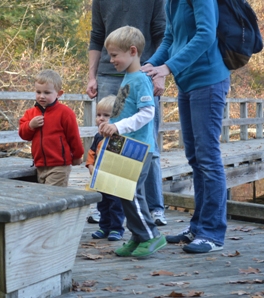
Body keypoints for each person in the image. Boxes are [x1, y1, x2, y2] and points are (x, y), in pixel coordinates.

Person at [142, 0, 230, 254]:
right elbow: (170, 39)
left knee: (208, 156)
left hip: (209, 79)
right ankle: (198, 227)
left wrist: (167, 68)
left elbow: (205, 35)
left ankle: (212, 233)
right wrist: (152, 64)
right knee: (194, 157)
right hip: (187, 82)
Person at [86, 0, 168, 226]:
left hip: (144, 70)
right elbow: (96, 36)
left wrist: (159, 72)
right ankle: (110, 210)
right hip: (107, 73)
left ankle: (154, 208)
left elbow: (162, 33)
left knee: (146, 141)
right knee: (110, 142)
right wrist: (92, 76)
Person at [99, 26, 166, 257]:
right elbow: (123, 109)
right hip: (123, 144)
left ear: (133, 51)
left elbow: (147, 113)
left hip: (138, 146)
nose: (111, 59)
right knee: (119, 190)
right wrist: (110, 125)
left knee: (132, 192)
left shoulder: (140, 79)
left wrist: (118, 126)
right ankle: (137, 236)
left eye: (115, 55)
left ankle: (150, 235)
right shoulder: (128, 76)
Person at [19, 69, 84, 187]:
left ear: (59, 94)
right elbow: (23, 135)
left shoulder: (65, 113)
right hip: (40, 165)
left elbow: (74, 137)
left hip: (59, 165)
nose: (41, 96)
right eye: (38, 92)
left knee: (52, 196)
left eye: (47, 93)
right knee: (45, 198)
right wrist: (30, 126)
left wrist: (77, 155)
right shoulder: (31, 113)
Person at [86, 95, 125, 241]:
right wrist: (90, 165)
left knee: (116, 204)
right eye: (99, 115)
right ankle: (104, 227)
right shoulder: (98, 136)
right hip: (100, 178)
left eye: (106, 116)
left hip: (114, 179)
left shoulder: (118, 137)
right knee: (102, 204)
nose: (101, 118)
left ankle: (116, 229)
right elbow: (92, 152)